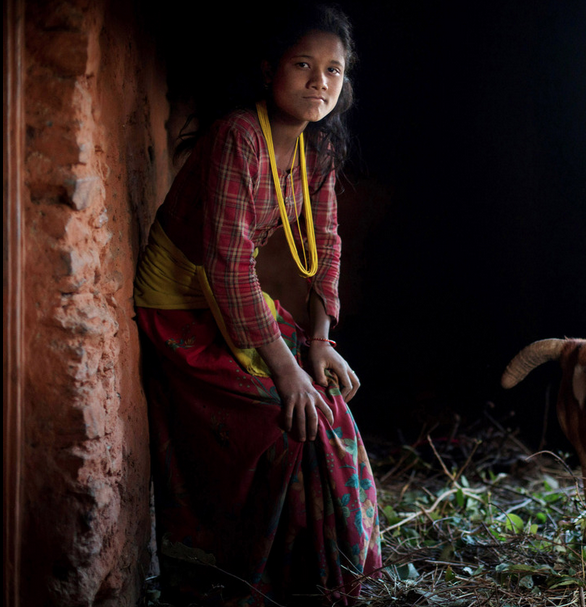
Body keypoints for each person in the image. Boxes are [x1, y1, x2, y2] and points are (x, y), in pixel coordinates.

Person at [134, 5, 381, 605]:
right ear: (269, 70)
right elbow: (227, 263)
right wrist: (285, 367)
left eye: (334, 70)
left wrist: (319, 342)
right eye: (304, 64)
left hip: (231, 296)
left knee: (326, 408)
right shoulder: (237, 136)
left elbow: (326, 245)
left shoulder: (318, 150)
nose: (319, 81)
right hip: (181, 303)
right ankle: (255, 575)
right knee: (286, 420)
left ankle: (329, 576)